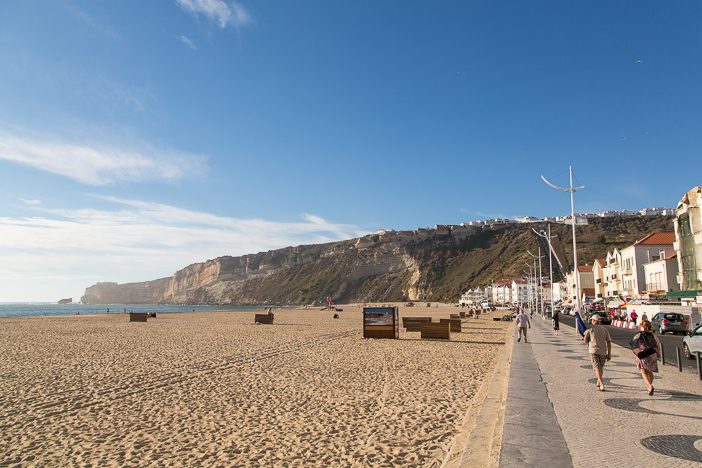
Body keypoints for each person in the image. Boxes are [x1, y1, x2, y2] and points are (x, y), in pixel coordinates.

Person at [631, 320, 661, 395]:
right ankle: (649, 386)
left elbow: (634, 345)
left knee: (643, 371)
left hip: (643, 354)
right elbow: (657, 345)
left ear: (642, 326)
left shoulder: (638, 335)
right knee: (650, 371)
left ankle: (649, 386)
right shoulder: (653, 335)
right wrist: (658, 354)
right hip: (652, 354)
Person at [583, 314, 612, 391]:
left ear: (594, 321)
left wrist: (585, 336)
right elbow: (609, 342)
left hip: (593, 351)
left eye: (592, 320)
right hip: (603, 351)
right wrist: (609, 353)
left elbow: (585, 341)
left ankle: (601, 383)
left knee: (597, 367)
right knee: (600, 368)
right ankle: (599, 381)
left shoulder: (590, 330)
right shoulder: (605, 330)